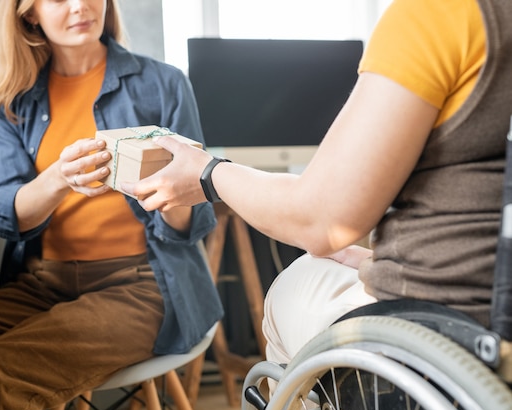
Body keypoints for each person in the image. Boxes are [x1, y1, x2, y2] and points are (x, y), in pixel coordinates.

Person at [124, 0, 512, 367]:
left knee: (293, 284)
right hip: (493, 306)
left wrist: (208, 174)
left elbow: (321, 222)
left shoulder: (445, 15)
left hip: (456, 335)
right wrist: (385, 261)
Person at [0, 0, 222, 410]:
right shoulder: (8, 103)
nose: (80, 6)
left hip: (143, 285)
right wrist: (59, 179)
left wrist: (170, 196)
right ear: (29, 14)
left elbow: (191, 226)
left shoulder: (164, 84)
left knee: (0, 369)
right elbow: (3, 214)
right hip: (43, 284)